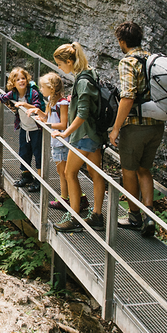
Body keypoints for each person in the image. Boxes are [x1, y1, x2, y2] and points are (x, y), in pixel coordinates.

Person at [108, 21, 163, 237]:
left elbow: (128, 96)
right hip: (156, 125)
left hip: (135, 126)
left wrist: (115, 128)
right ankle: (149, 216)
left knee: (129, 170)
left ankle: (134, 217)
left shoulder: (128, 62)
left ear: (122, 41)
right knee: (144, 169)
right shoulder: (153, 59)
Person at [52, 43, 106, 231]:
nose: (59, 68)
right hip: (95, 133)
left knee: (69, 172)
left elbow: (82, 113)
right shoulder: (90, 73)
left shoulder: (82, 81)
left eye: (60, 64)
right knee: (95, 173)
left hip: (84, 135)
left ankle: (74, 217)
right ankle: (97, 216)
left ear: (69, 61)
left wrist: (65, 133)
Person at [0, 66, 45, 187]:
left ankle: (39, 180)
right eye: (18, 80)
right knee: (24, 152)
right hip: (24, 128)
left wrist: (25, 104)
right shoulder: (14, 94)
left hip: (36, 129)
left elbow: (37, 108)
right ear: (13, 83)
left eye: (23, 78)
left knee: (38, 154)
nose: (21, 81)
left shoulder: (33, 93)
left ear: (27, 80)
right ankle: (26, 175)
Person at [26, 72, 69, 210]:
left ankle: (64, 199)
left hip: (61, 141)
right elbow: (47, 118)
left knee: (63, 172)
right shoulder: (51, 100)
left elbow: (63, 124)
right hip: (54, 141)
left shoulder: (62, 103)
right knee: (60, 170)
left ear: (51, 88)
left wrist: (47, 125)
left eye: (43, 87)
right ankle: (67, 197)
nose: (40, 89)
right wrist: (38, 113)